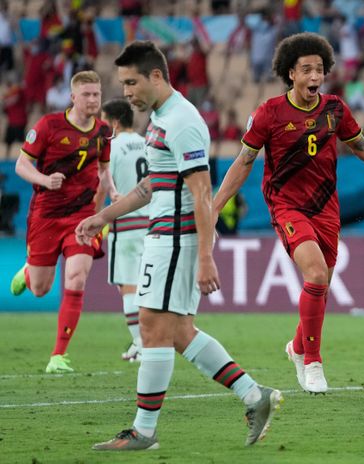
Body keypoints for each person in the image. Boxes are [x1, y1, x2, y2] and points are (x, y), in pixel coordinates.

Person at [76, 41, 280, 451]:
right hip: (165, 235)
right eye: (123, 84)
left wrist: (205, 257)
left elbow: (202, 193)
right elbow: (154, 183)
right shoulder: (161, 118)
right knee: (180, 333)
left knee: (152, 328)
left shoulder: (182, 121)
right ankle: (254, 395)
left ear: (156, 76)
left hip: (175, 239)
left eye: (132, 82)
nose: (126, 92)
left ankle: (144, 432)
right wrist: (105, 216)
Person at [213, 32, 364, 394]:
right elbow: (243, 161)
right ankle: (312, 362)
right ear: (290, 74)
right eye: (306, 70)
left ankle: (297, 346)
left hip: (326, 207)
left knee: (321, 286)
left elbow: (361, 146)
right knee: (315, 275)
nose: (315, 76)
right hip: (287, 205)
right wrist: (215, 206)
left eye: (319, 69)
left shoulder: (334, 109)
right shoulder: (269, 113)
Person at [10, 70, 116, 373]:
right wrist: (44, 180)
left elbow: (103, 170)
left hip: (81, 216)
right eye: (87, 94)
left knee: (77, 277)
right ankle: (29, 271)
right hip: (46, 215)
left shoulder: (104, 131)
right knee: (41, 289)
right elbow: (21, 165)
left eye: (96, 94)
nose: (93, 99)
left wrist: (113, 191)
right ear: (73, 97)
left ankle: (58, 355)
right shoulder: (48, 125)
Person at [100, 98, 149, 362]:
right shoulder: (147, 143)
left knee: (128, 286)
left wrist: (95, 217)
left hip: (126, 224)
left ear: (115, 123)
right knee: (145, 286)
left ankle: (141, 343)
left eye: (104, 122)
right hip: (151, 224)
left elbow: (103, 185)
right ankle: (141, 342)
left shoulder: (112, 147)